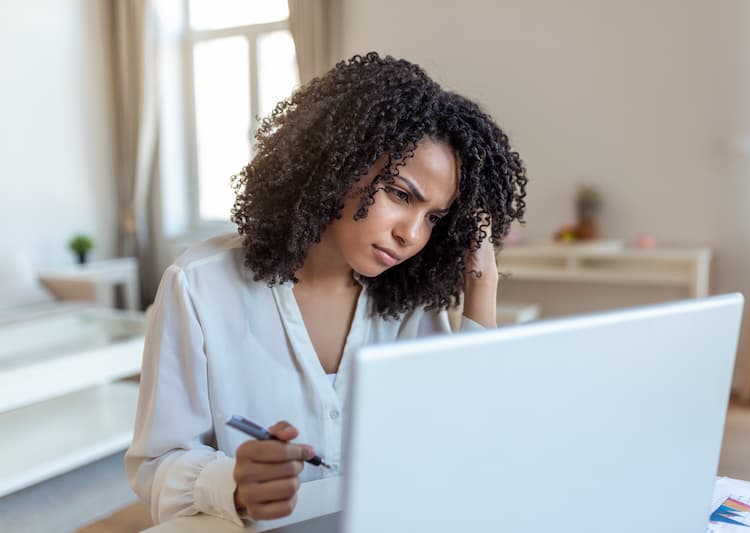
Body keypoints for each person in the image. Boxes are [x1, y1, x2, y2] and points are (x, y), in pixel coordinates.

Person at [125, 52, 527, 526]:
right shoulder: (199, 286)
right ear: (337, 164)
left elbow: (470, 438)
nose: (412, 235)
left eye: (435, 218)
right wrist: (233, 484)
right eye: (401, 195)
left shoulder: (408, 301)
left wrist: (482, 280)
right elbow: (156, 464)